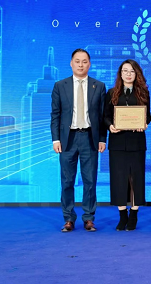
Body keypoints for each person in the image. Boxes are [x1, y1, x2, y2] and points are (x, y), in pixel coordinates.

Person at [51, 48, 106, 232]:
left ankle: (89, 217)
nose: (80, 65)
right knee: (67, 181)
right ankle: (68, 218)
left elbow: (102, 116)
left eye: (84, 61)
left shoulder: (99, 86)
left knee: (90, 180)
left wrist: (102, 139)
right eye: (77, 61)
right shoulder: (60, 86)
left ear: (89, 64)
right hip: (68, 139)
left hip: (90, 137)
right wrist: (55, 139)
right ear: (71, 63)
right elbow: (55, 115)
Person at [103, 59, 151, 231]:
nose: (128, 74)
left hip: (137, 142)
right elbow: (106, 116)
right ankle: (122, 215)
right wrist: (110, 126)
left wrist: (145, 123)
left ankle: (134, 214)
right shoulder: (112, 93)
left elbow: (147, 116)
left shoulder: (143, 93)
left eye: (132, 71)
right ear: (120, 73)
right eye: (125, 71)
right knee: (119, 178)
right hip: (117, 143)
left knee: (136, 179)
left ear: (136, 73)